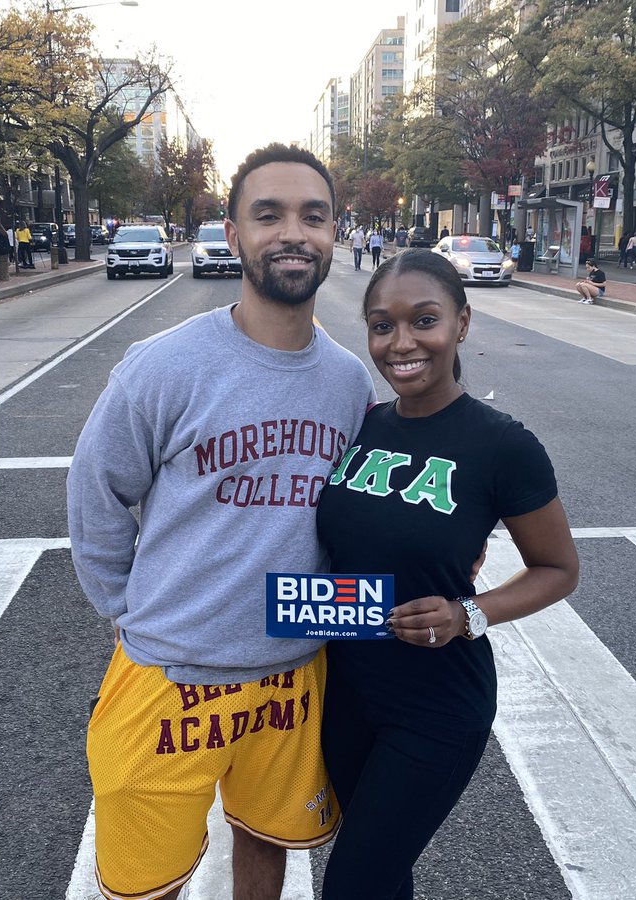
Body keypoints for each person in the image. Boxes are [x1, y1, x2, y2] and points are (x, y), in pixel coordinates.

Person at [67, 143, 374, 900]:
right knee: (146, 882)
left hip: (293, 674)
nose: (292, 233)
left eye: (313, 215)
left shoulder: (348, 382)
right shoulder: (163, 365)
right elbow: (96, 489)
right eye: (267, 215)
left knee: (267, 848)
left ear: (337, 233)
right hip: (170, 674)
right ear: (232, 234)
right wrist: (123, 607)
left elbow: (364, 516)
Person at [317, 249, 579, 899]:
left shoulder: (502, 445)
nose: (401, 343)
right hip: (345, 692)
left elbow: (558, 569)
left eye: (423, 320)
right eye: (382, 325)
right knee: (379, 871)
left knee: (353, 883)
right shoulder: (362, 428)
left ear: (461, 324)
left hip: (435, 705)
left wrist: (470, 613)